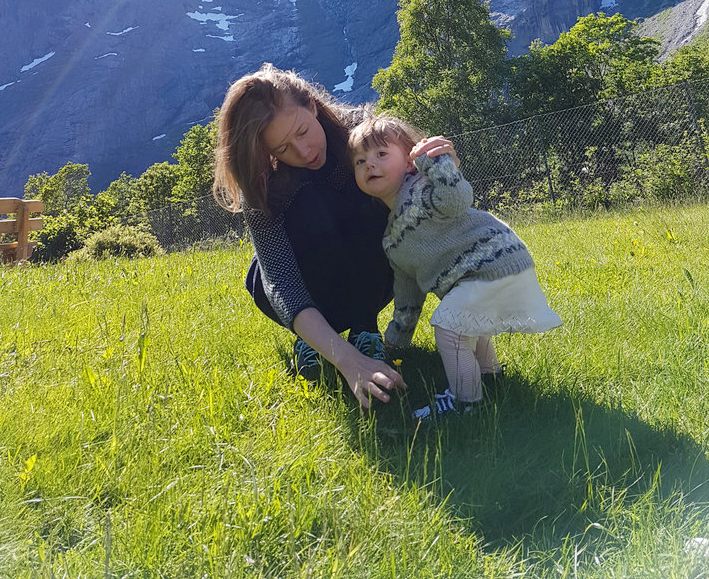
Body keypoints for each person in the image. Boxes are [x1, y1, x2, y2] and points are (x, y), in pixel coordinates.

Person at [214, 63, 459, 408]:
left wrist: (443, 167)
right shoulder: (262, 181)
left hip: (373, 278)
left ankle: (365, 327)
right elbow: (280, 280)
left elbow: (427, 205)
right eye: (282, 148)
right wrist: (346, 360)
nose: (302, 152)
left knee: (368, 199)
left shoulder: (366, 135)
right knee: (308, 210)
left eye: (302, 131)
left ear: (312, 106)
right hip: (304, 290)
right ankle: (316, 338)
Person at [348, 115, 562, 419]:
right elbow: (407, 296)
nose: (370, 164)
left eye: (381, 155)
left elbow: (457, 198)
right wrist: (396, 341)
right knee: (467, 322)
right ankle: (491, 378)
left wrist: (435, 163)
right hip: (494, 265)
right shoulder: (392, 240)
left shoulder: (420, 190)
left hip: (491, 260)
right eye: (360, 161)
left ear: (409, 163)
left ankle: (466, 403)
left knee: (449, 328)